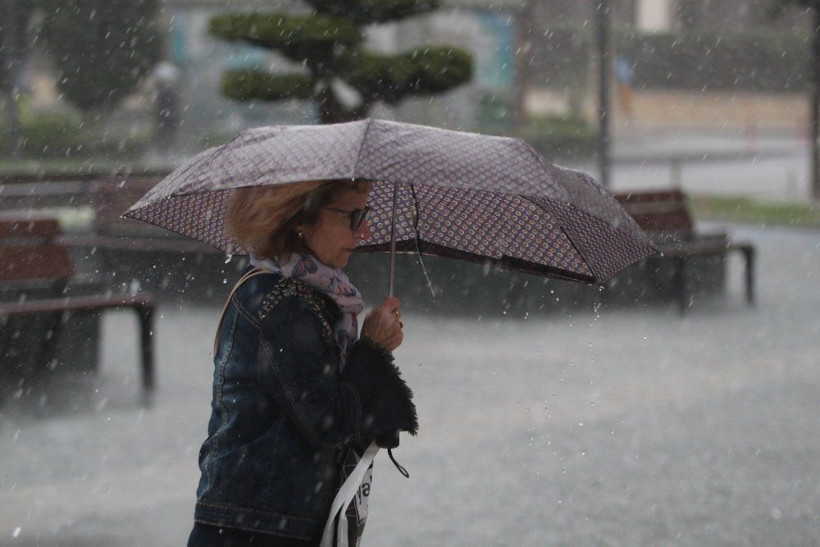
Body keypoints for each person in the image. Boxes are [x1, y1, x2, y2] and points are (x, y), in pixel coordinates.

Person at [187, 179, 418, 546]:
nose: (366, 230)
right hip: (257, 528)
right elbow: (329, 421)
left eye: (366, 214)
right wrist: (372, 348)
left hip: (267, 520)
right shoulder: (282, 304)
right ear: (301, 217)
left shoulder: (312, 295)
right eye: (353, 216)